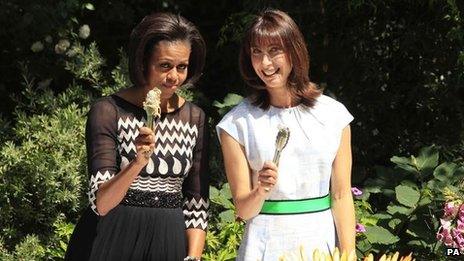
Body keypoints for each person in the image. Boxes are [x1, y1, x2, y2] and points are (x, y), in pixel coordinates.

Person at [65, 12, 209, 261]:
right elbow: (101, 203)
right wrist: (137, 163)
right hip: (109, 239)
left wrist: (193, 257)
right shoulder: (108, 111)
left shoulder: (195, 118)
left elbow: (197, 202)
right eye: (164, 65)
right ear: (143, 62)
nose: (174, 76)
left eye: (181, 67)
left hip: (168, 243)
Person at [216, 9, 355, 260]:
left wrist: (349, 255)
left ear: (294, 51)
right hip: (263, 246)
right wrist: (260, 190)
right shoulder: (236, 124)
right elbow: (242, 211)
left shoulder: (334, 116)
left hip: (319, 243)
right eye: (256, 53)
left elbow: (342, 195)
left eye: (274, 51)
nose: (265, 64)